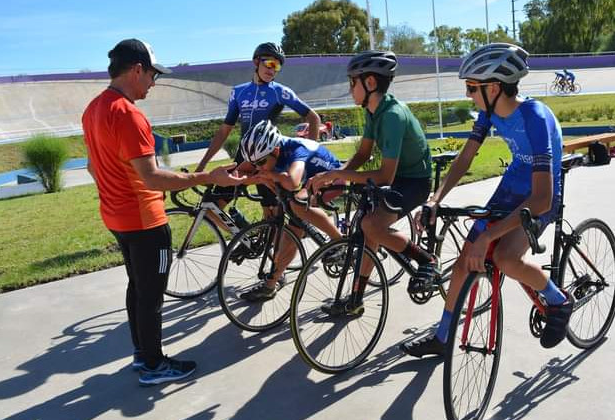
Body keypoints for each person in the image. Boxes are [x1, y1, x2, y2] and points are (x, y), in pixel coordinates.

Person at [82, 39, 240, 386]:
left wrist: (115, 192)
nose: (154, 82)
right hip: (145, 221)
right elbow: (153, 178)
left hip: (116, 218)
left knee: (138, 287)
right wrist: (207, 176)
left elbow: (94, 168)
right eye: (153, 75)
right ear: (137, 70)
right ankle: (153, 365)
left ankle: (142, 354)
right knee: (151, 295)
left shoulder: (93, 109)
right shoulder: (128, 113)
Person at [399, 43, 571, 358]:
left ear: (493, 88)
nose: (468, 95)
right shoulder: (487, 112)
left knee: (505, 258)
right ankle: (443, 336)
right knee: (467, 256)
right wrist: (436, 199)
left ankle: (558, 300)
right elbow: (466, 157)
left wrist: (491, 234)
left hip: (541, 193)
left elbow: (543, 198)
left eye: (471, 87)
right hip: (513, 185)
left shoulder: (535, 117)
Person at [307, 50, 434, 316]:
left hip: (415, 181)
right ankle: (356, 300)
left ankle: (425, 260)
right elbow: (363, 154)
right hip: (398, 177)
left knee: (371, 225)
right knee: (366, 230)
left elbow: (385, 177)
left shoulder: (391, 115)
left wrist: (334, 177)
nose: (349, 88)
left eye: (352, 82)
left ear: (371, 83)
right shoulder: (373, 110)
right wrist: (336, 175)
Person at [195, 42, 321, 222]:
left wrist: (307, 157)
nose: (273, 70)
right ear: (256, 62)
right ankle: (246, 244)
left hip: (268, 158)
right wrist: (201, 165)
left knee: (273, 216)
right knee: (211, 208)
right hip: (244, 156)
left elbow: (313, 118)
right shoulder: (238, 92)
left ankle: (271, 248)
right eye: (269, 63)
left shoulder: (280, 92)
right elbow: (224, 130)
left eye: (277, 66)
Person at [234, 120, 343, 301]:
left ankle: (339, 240)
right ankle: (271, 284)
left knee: (298, 205)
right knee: (290, 229)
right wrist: (249, 177)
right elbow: (241, 172)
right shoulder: (266, 153)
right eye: (255, 162)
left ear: (275, 151)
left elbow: (293, 182)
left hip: (332, 179)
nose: (258, 166)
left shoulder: (296, 149)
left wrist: (267, 175)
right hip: (307, 181)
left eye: (261, 162)